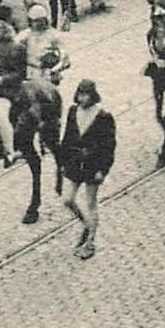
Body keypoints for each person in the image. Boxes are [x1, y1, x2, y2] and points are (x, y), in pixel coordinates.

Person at [57, 78, 115, 260]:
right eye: (81, 94)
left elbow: (109, 146)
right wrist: (62, 162)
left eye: (87, 94)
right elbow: (67, 138)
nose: (83, 98)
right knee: (67, 199)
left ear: (93, 95)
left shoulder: (104, 116)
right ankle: (86, 224)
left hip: (93, 165)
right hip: (74, 163)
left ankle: (90, 242)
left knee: (91, 202)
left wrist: (103, 170)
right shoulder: (73, 111)